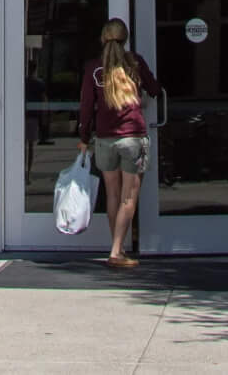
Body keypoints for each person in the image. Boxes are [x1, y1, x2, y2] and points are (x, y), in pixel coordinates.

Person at [77, 17, 164, 269]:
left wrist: (84, 138)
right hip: (133, 137)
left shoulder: (94, 68)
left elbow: (85, 108)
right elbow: (155, 89)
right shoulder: (134, 62)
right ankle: (116, 251)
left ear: (103, 38)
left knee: (113, 195)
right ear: (125, 39)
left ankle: (118, 246)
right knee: (129, 197)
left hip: (105, 139)